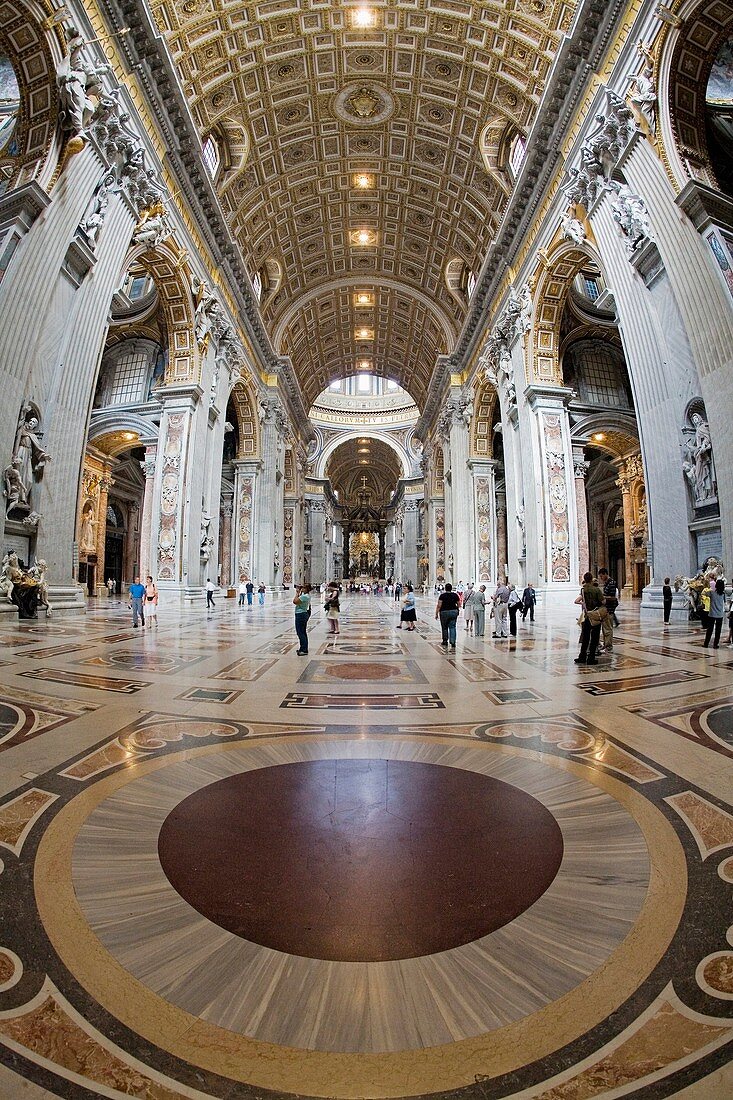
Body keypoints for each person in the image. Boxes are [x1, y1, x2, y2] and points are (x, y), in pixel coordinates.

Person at [574, 572, 606, 665]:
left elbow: (582, 601)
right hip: (595, 615)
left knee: (586, 637)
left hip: (587, 615)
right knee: (595, 637)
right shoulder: (596, 590)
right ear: (591, 579)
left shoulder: (583, 590)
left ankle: (582, 656)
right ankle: (591, 657)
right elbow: (603, 601)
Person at [435, 582, 460, 650]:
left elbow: (439, 605)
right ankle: (453, 642)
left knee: (444, 627)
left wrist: (436, 613)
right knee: (452, 627)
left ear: (445, 589)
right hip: (453, 612)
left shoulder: (442, 596)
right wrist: (457, 609)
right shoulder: (455, 595)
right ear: (451, 588)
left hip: (444, 612)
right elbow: (459, 604)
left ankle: (445, 641)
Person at [703, 578, 726, 649]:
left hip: (712, 614)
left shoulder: (712, 593)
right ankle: (715, 644)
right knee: (718, 631)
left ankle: (706, 643)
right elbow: (724, 602)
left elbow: (704, 593)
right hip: (720, 614)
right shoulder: (723, 594)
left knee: (710, 630)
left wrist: (709, 587)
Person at [293, 584, 311, 654]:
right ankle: (302, 648)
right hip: (302, 614)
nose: (302, 589)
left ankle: (304, 649)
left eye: (303, 588)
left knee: (300, 632)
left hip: (301, 615)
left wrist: (297, 593)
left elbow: (295, 601)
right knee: (302, 632)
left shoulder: (305, 596)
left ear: (306, 589)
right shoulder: (306, 595)